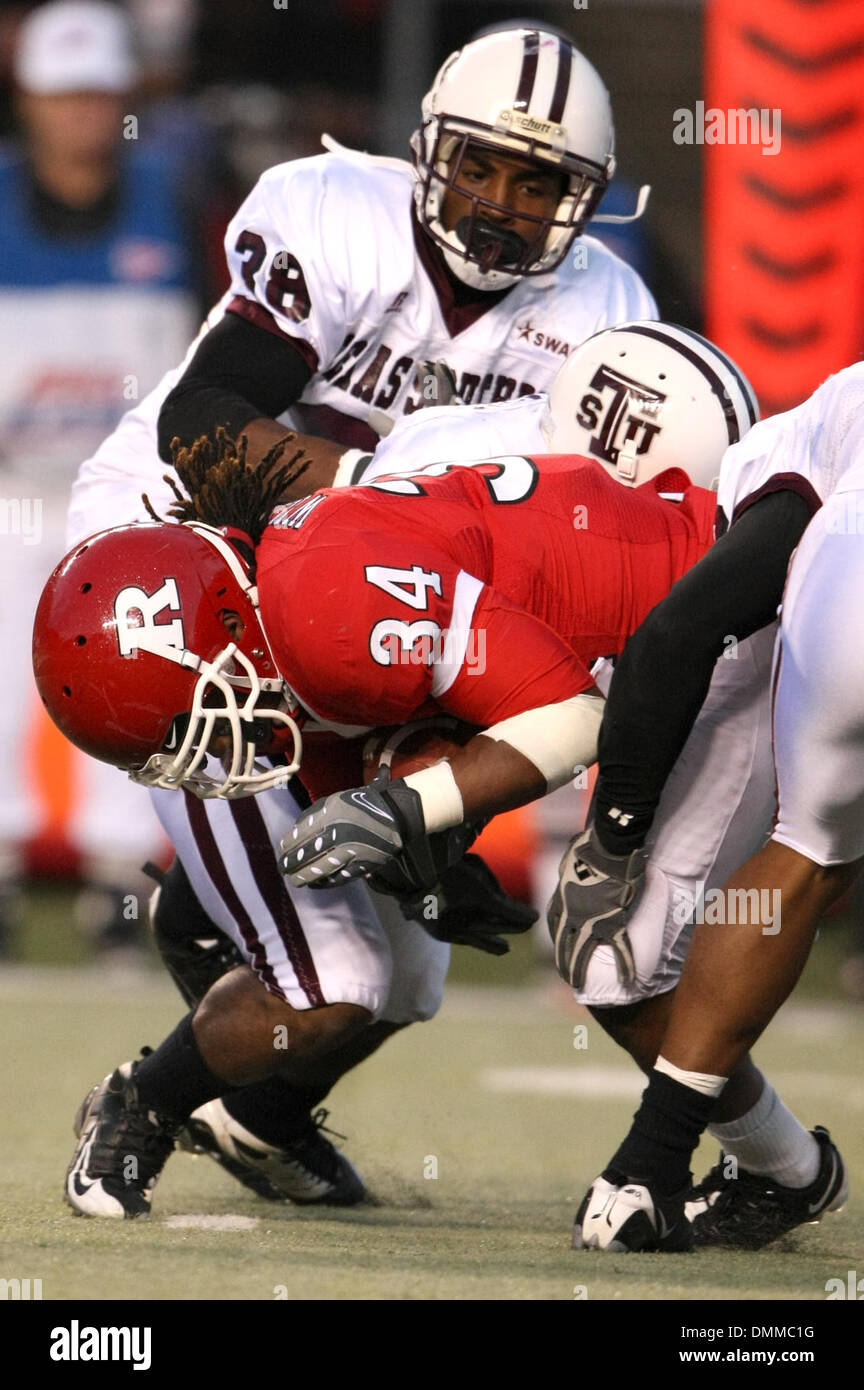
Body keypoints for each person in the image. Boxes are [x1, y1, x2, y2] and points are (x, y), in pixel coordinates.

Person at [59, 25, 658, 1209]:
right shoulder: (333, 211)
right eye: (480, 166)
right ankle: (139, 1104)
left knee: (415, 967)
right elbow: (204, 424)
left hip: (366, 600)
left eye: (536, 183)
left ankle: (254, 1096)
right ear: (429, 150)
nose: (497, 204)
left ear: (581, 201)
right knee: (338, 973)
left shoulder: (604, 315)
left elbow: (512, 586)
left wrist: (430, 819)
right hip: (187, 573)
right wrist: (380, 504)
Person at [558, 364, 864, 1251]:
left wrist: (613, 838)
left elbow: (675, 635)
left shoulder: (785, 461)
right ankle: (735, 1171)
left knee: (794, 861)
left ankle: (652, 1164)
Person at [0, 0, 198, 951]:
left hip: (127, 499)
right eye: (61, 95)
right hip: (9, 492)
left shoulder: (177, 199)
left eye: (95, 96)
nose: (80, 115)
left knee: (132, 673)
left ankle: (123, 884)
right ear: (28, 98)